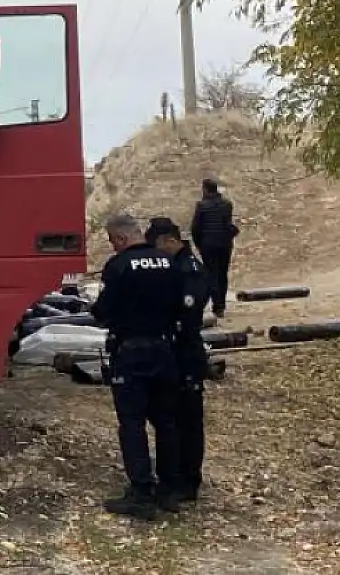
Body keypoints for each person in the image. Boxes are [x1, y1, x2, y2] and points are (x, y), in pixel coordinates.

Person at [90, 213, 187, 520]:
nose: (113, 247)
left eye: (111, 241)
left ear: (120, 238)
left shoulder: (118, 267)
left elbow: (103, 312)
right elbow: (179, 306)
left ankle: (141, 492)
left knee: (132, 424)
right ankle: (170, 488)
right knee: (166, 421)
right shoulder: (168, 261)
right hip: (164, 348)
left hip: (130, 351)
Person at [146, 216, 210, 503]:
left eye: (159, 248)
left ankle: (188, 479)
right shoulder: (174, 266)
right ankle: (173, 474)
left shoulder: (189, 270)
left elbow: (186, 315)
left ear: (171, 241)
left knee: (188, 419)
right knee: (170, 416)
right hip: (172, 350)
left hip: (186, 352)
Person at [189, 178, 240, 318]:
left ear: (205, 189)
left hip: (208, 244)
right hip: (224, 244)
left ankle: (216, 304)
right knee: (222, 274)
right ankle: (221, 305)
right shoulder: (226, 204)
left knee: (211, 274)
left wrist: (199, 244)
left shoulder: (201, 206)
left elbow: (195, 228)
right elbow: (227, 224)